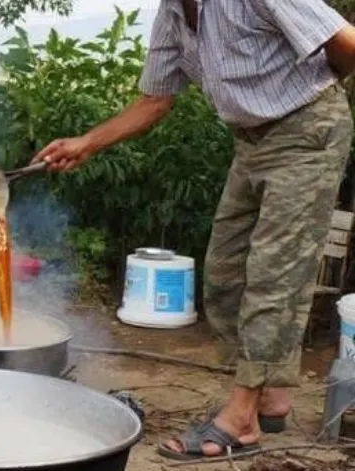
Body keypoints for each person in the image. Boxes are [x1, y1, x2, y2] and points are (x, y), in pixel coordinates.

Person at [32, 0, 355, 461]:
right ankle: (269, 397)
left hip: (308, 130)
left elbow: (346, 44)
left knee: (274, 275)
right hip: (251, 141)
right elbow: (154, 100)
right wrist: (87, 143)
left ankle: (242, 418)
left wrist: (321, 89)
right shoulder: (173, 13)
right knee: (224, 274)